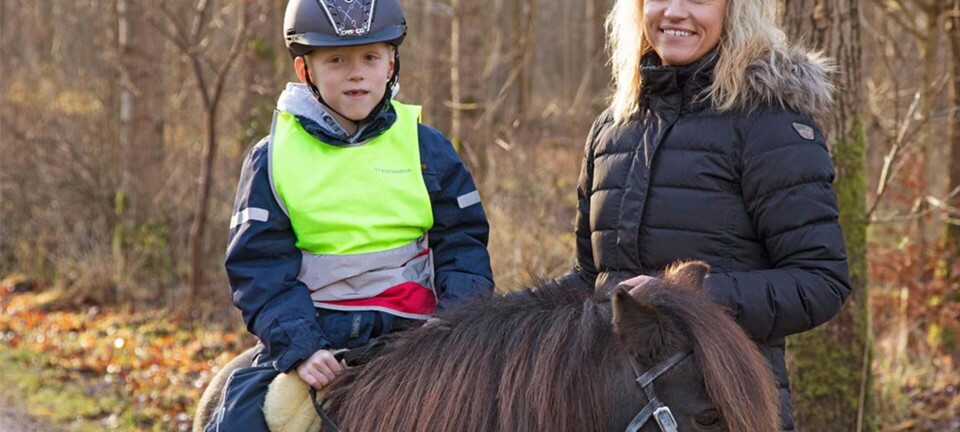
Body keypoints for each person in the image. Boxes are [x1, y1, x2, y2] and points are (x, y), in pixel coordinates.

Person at [556, 0, 851, 430]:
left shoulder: (770, 126)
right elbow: (591, 278)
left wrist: (686, 298)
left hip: (721, 408)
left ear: (736, 10)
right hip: (610, 409)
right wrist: (490, 324)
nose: (675, 11)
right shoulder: (612, 128)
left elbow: (821, 281)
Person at [204, 0, 494, 430]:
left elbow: (463, 247)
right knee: (241, 419)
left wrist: (452, 327)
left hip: (419, 334)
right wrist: (302, 348)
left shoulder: (429, 150)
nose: (356, 73)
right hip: (320, 340)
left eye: (370, 58)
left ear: (390, 64)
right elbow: (259, 267)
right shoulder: (272, 159)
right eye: (337, 60)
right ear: (306, 70)